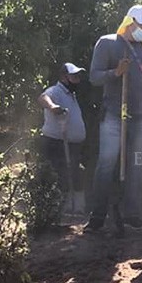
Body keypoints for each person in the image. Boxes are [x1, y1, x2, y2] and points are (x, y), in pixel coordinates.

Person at [84, 5, 142, 232]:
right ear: (129, 22)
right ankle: (97, 216)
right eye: (141, 25)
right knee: (106, 163)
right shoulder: (107, 43)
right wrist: (115, 73)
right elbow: (94, 76)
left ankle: (132, 214)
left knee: (137, 165)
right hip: (115, 114)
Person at [38, 62, 88, 217]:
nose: (77, 80)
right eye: (74, 76)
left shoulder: (71, 95)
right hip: (57, 142)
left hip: (73, 144)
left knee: (76, 172)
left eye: (78, 77)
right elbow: (43, 98)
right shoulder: (56, 91)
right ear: (64, 77)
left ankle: (77, 207)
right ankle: (61, 209)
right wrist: (53, 107)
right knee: (61, 174)